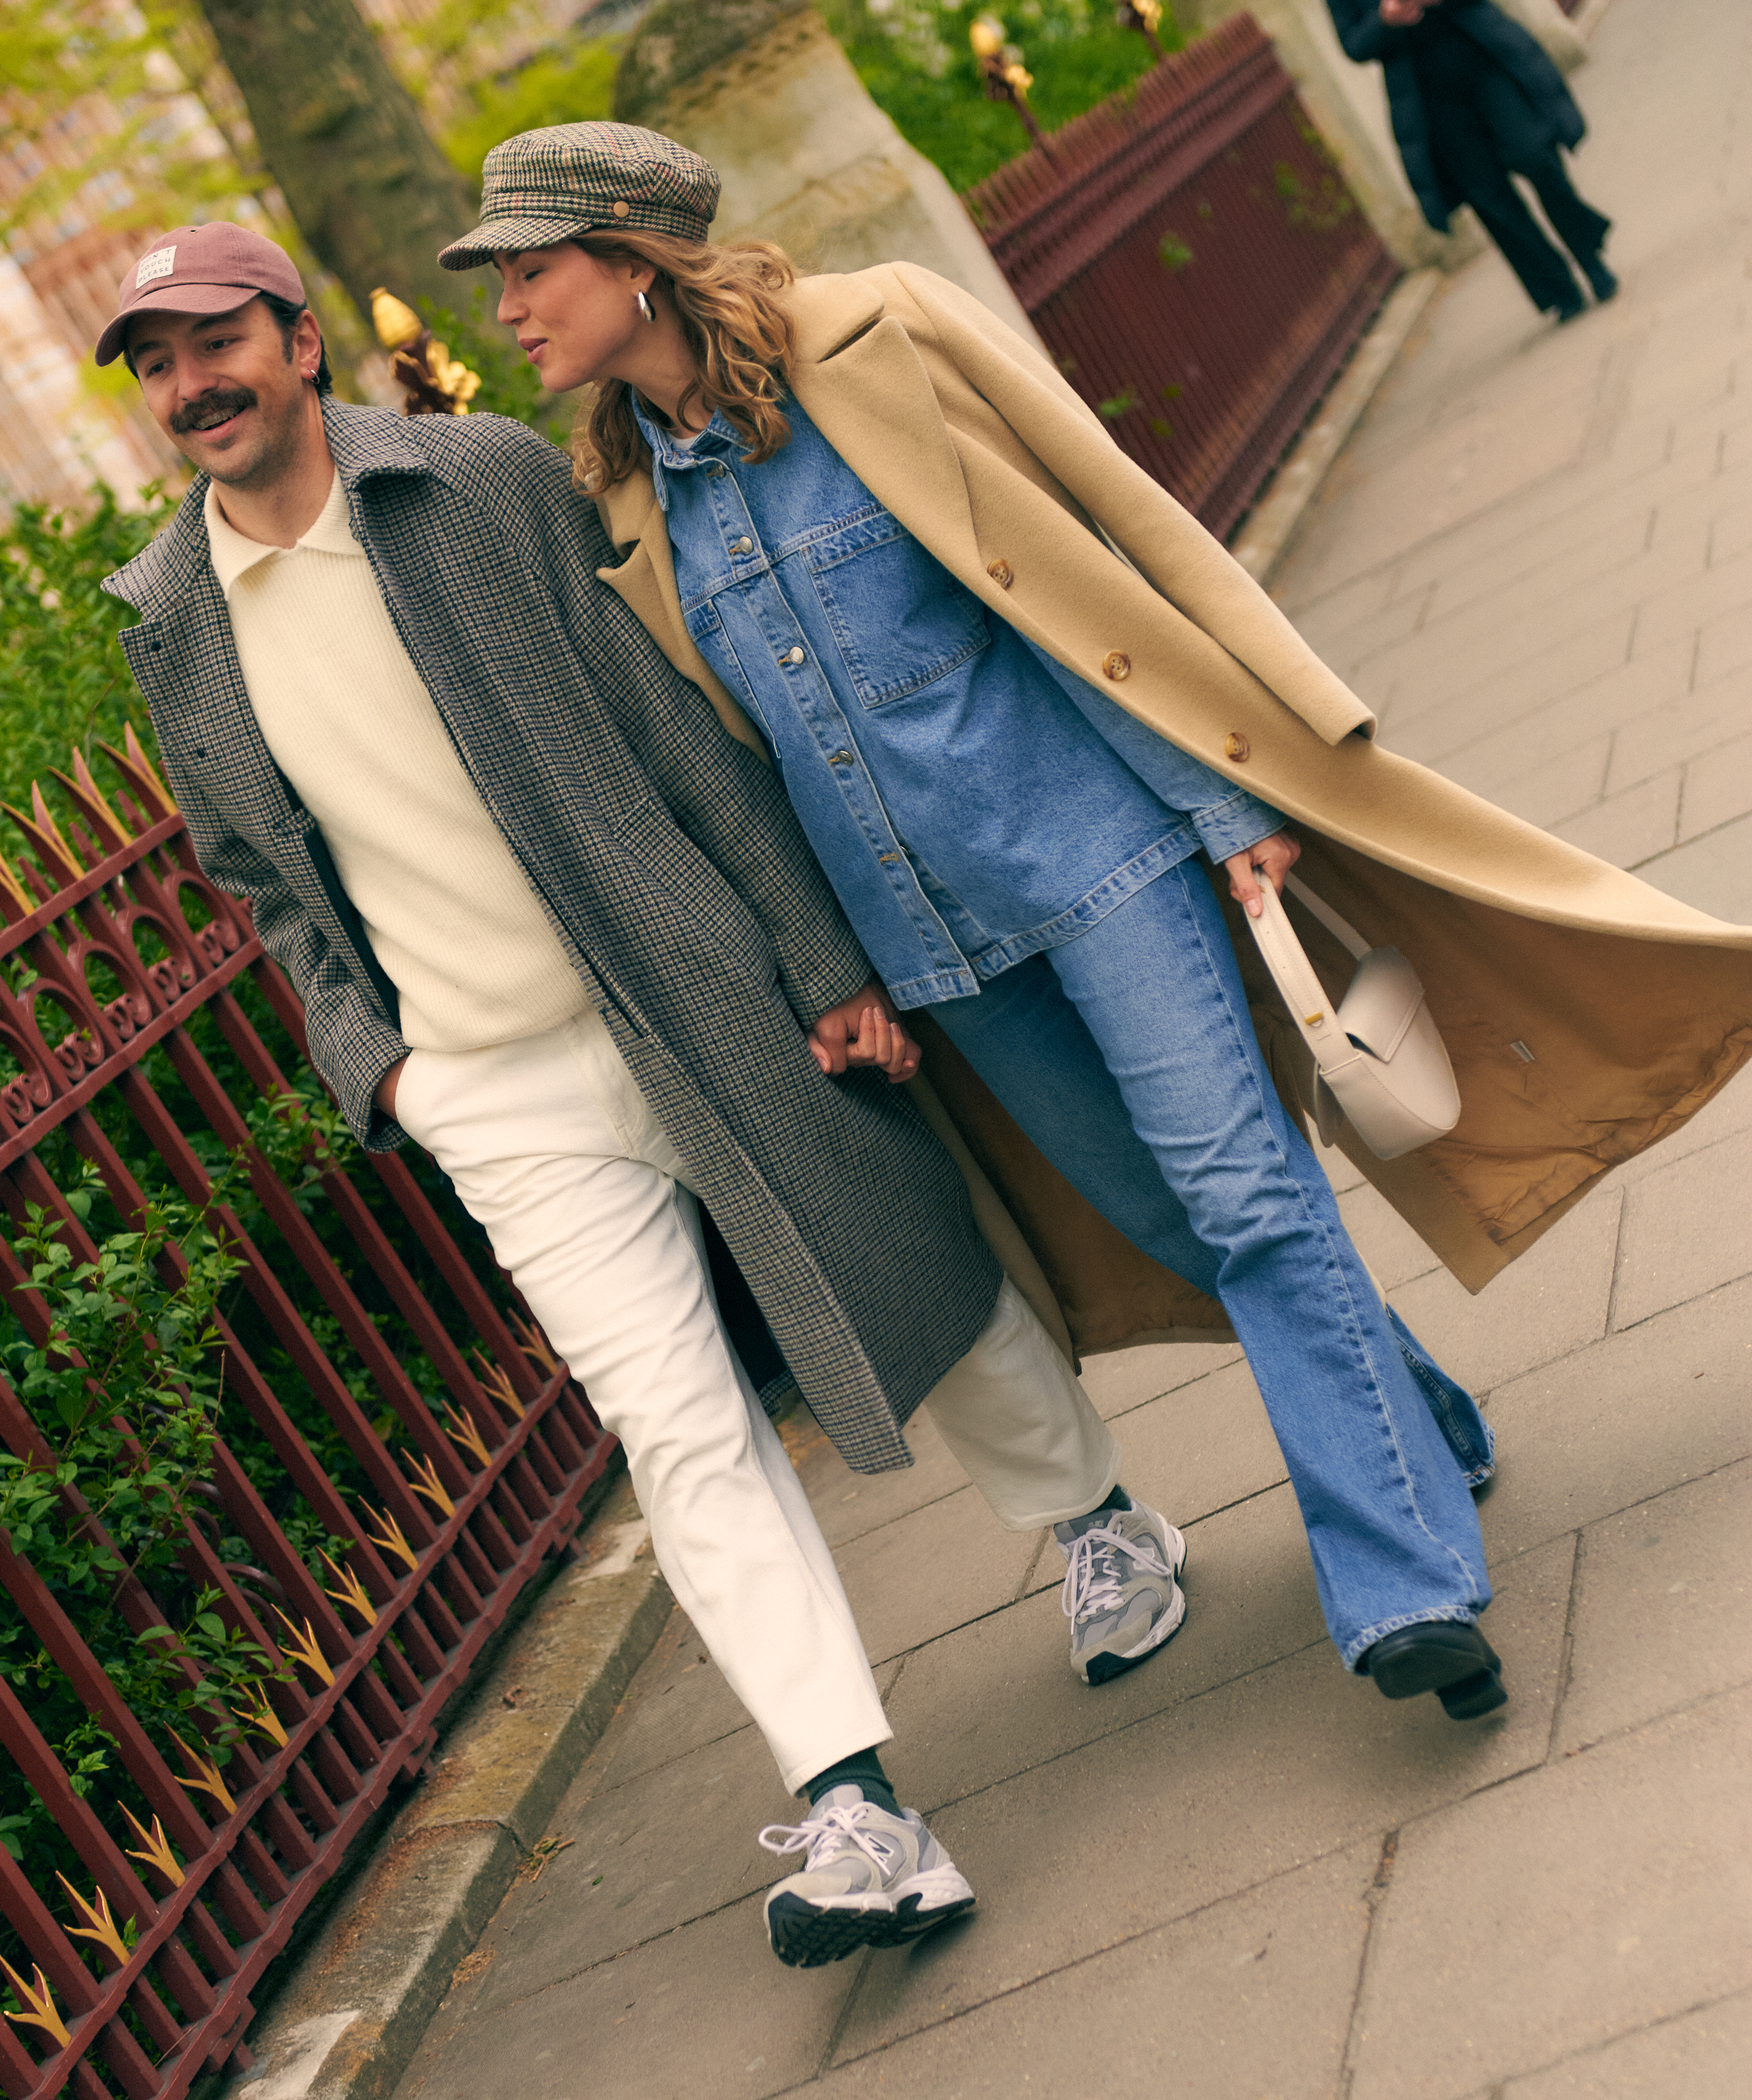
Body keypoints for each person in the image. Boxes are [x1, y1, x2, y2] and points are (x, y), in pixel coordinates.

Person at [440, 123, 1752, 1766]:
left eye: (526, 266)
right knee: (1170, 1218)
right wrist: (826, 975)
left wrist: (1229, 794)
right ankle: (1416, 1419)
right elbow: (732, 763)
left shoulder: (883, 336)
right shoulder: (625, 496)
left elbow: (1098, 544)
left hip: (1103, 849)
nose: (505, 308)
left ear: (634, 248)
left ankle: (1405, 1584)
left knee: (1246, 1194)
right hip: (933, 950)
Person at [94, 221, 1194, 1973]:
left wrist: (817, 959)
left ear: (300, 345)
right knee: (677, 1426)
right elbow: (260, 880)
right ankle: (853, 1805)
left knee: (901, 1265)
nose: (188, 387)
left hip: (686, 983)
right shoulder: (171, 622)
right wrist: (378, 1070)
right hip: (488, 1084)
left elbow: (667, 724)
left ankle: (1098, 1519)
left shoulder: (473, 482)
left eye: (214, 342)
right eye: (151, 363)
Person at [1328, 0, 1615, 322]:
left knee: (1536, 156)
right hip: (1429, 101)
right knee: (1492, 201)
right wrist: (1385, 19)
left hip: (1485, 59)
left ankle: (1590, 258)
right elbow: (1353, 44)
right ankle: (1560, 291)